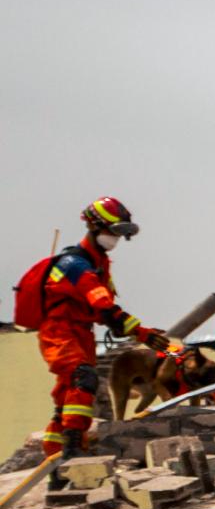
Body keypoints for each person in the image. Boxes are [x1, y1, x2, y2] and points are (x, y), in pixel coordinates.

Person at [25, 198, 171, 472]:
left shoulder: (99, 264)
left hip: (81, 333)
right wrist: (142, 333)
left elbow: (106, 312)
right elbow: (104, 307)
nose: (116, 238)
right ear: (94, 226)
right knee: (83, 379)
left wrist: (123, 326)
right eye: (113, 231)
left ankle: (56, 462)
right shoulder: (75, 264)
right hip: (61, 330)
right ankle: (71, 452)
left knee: (68, 399)